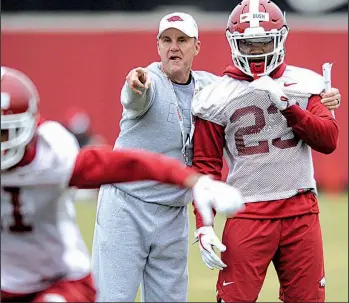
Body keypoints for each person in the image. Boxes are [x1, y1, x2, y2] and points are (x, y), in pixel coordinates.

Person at [92, 11, 342, 302]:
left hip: (173, 207)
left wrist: (321, 98)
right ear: (158, 46)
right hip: (128, 204)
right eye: (167, 40)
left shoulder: (211, 86)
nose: (174, 47)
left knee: (169, 298)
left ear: (196, 47)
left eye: (182, 40)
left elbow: (249, 86)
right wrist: (133, 83)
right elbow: (135, 96)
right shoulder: (148, 81)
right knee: (112, 296)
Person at [0, 66, 245, 302]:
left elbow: (128, 164)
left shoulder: (52, 156)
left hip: (57, 281)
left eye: (5, 133)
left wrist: (193, 180)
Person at [190, 0, 340, 303]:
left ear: (281, 39)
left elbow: (328, 140)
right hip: (247, 211)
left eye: (264, 43)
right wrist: (204, 225)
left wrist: (286, 105)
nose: (257, 52)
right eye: (249, 44)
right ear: (234, 44)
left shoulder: (303, 83)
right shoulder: (216, 96)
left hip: (300, 210)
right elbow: (206, 168)